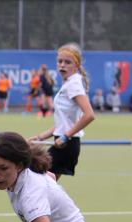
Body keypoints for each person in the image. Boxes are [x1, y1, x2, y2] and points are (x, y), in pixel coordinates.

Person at [29, 43, 95, 181]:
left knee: (37, 179)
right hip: (63, 142)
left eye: (67, 62)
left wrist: (65, 136)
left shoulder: (73, 84)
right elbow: (63, 123)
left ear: (76, 65)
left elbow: (89, 115)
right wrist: (39, 138)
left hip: (66, 144)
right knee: (45, 185)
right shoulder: (69, 83)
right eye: (60, 61)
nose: (62, 65)